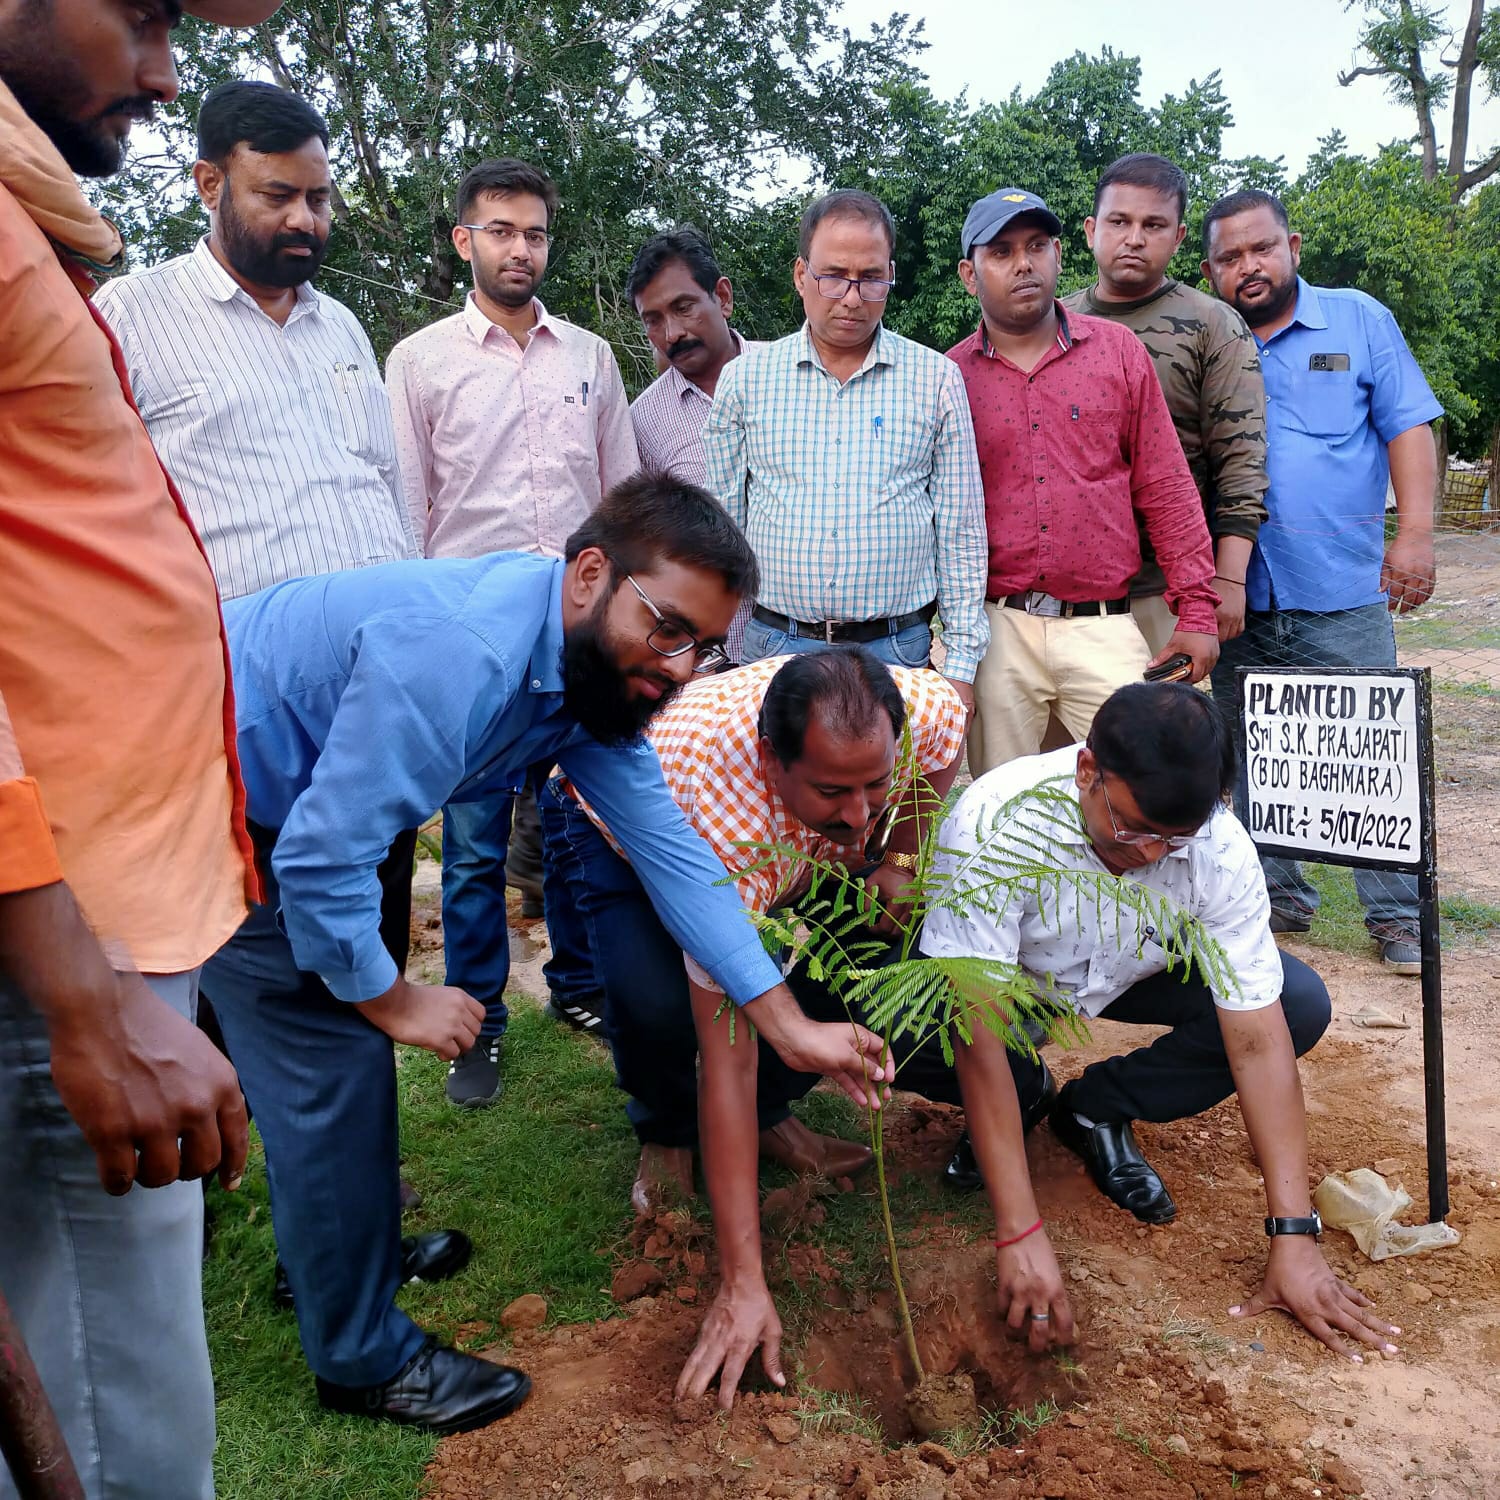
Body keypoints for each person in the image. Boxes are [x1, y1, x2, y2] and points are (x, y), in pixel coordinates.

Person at [199, 475, 891, 1435]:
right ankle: (361, 1358)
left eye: (700, 645)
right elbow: (319, 860)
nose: (681, 668)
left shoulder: (585, 674)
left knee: (331, 1050)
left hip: (318, 798)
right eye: (667, 629)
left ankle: (336, 1253)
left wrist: (786, 1022)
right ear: (590, 574)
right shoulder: (464, 654)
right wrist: (396, 1001)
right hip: (218, 798)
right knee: (330, 1054)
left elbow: (674, 854)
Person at [0, 0, 277, 1493]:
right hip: (55, 944)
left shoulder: (28, 221)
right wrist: (83, 992)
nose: (170, 74)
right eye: (149, 12)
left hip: (86, 927)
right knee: (122, 1417)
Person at [543, 649, 981, 1404]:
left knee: (853, 942)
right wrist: (743, 1282)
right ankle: (666, 1132)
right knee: (655, 1006)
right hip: (616, 825)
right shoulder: (726, 824)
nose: (860, 817)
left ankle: (770, 1117)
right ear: (773, 759)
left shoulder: (923, 707)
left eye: (876, 785)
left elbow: (946, 743)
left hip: (774, 840)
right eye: (833, 791)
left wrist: (902, 858)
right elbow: (730, 1057)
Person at [922, 683, 1402, 1363]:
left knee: (1295, 1003)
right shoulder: (996, 822)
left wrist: (1294, 1235)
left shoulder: (1218, 848)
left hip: (1129, 973)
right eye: (1132, 827)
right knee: (913, 1033)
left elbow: (1258, 1041)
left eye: (1174, 840)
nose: (1150, 854)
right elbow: (977, 1034)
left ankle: (1095, 1107)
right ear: (1087, 770)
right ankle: (1026, 1092)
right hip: (1008, 987)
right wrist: (1021, 1232)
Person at [386, 158, 638, 1102]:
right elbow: (407, 511)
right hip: (472, 642)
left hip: (575, 636)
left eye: (533, 232)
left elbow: (620, 500)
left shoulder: (591, 359)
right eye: (500, 231)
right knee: (475, 842)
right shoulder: (419, 362)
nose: (519, 248)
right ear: (465, 241)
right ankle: (478, 1023)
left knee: (581, 822)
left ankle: (580, 987)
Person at [1201, 190, 1441, 975]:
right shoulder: (1208, 337)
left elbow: (1407, 425)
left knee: (1372, 752)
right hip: (1240, 592)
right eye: (1230, 258)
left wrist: (1414, 534)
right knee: (1255, 753)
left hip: (1343, 589)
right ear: (1210, 272)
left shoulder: (1358, 320)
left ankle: (1398, 916)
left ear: (1293, 246)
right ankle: (1279, 897)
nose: (1249, 266)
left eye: (1261, 248)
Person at [94, 81, 417, 601]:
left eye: (317, 199)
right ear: (210, 185)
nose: (303, 220)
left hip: (384, 628)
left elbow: (388, 484)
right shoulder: (130, 313)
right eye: (277, 196)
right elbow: (86, 499)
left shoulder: (341, 325)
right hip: (230, 640)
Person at [948, 187, 1220, 776]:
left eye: (1036, 246)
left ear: (1058, 254)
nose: (1023, 264)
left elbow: (1165, 486)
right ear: (970, 274)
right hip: (998, 628)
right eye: (1001, 252)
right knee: (1006, 804)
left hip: (1105, 624)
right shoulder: (949, 377)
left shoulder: (1116, 352)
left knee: (1144, 780)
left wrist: (1197, 609)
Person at [703, 188, 987, 711]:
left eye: (871, 278)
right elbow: (721, 527)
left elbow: (961, 529)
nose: (852, 298)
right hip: (776, 648)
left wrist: (962, 666)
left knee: (894, 769)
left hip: (897, 651)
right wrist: (713, 647)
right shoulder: (745, 380)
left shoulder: (935, 379)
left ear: (890, 276)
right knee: (774, 770)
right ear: (801, 275)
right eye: (833, 276)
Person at [1060, 153, 1268, 654]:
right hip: (1062, 598)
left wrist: (1228, 579)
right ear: (1091, 230)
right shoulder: (1054, 323)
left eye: (1153, 225)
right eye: (1119, 222)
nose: (1134, 238)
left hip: (1165, 591)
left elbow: (1241, 460)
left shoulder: (1211, 324)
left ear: (1177, 237)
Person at [625, 225, 759, 659]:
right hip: (719, 657)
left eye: (683, 308)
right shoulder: (644, 422)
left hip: (811, 640)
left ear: (723, 297)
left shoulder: (792, 374)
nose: (672, 334)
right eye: (653, 320)